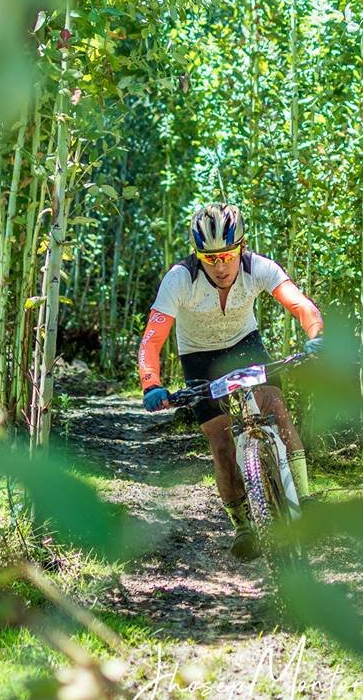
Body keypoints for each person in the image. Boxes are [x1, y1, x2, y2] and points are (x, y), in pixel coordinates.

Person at [137, 203, 323, 561]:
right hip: (199, 357)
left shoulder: (259, 268)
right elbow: (152, 340)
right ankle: (243, 526)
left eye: (227, 256)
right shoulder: (179, 279)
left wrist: (316, 335)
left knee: (277, 409)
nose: (220, 267)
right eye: (210, 259)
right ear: (197, 255)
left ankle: (304, 499)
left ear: (241, 247)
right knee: (221, 441)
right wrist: (151, 383)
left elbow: (301, 305)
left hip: (244, 346)